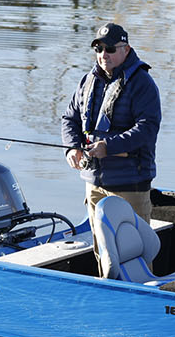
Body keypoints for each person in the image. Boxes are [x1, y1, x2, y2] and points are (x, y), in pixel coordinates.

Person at [61, 22, 161, 222]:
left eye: (110, 49)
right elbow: (69, 118)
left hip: (130, 184)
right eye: (98, 49)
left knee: (132, 249)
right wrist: (72, 148)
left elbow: (147, 128)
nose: (103, 54)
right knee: (102, 250)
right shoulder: (87, 81)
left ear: (126, 50)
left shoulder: (143, 83)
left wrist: (108, 146)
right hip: (93, 183)